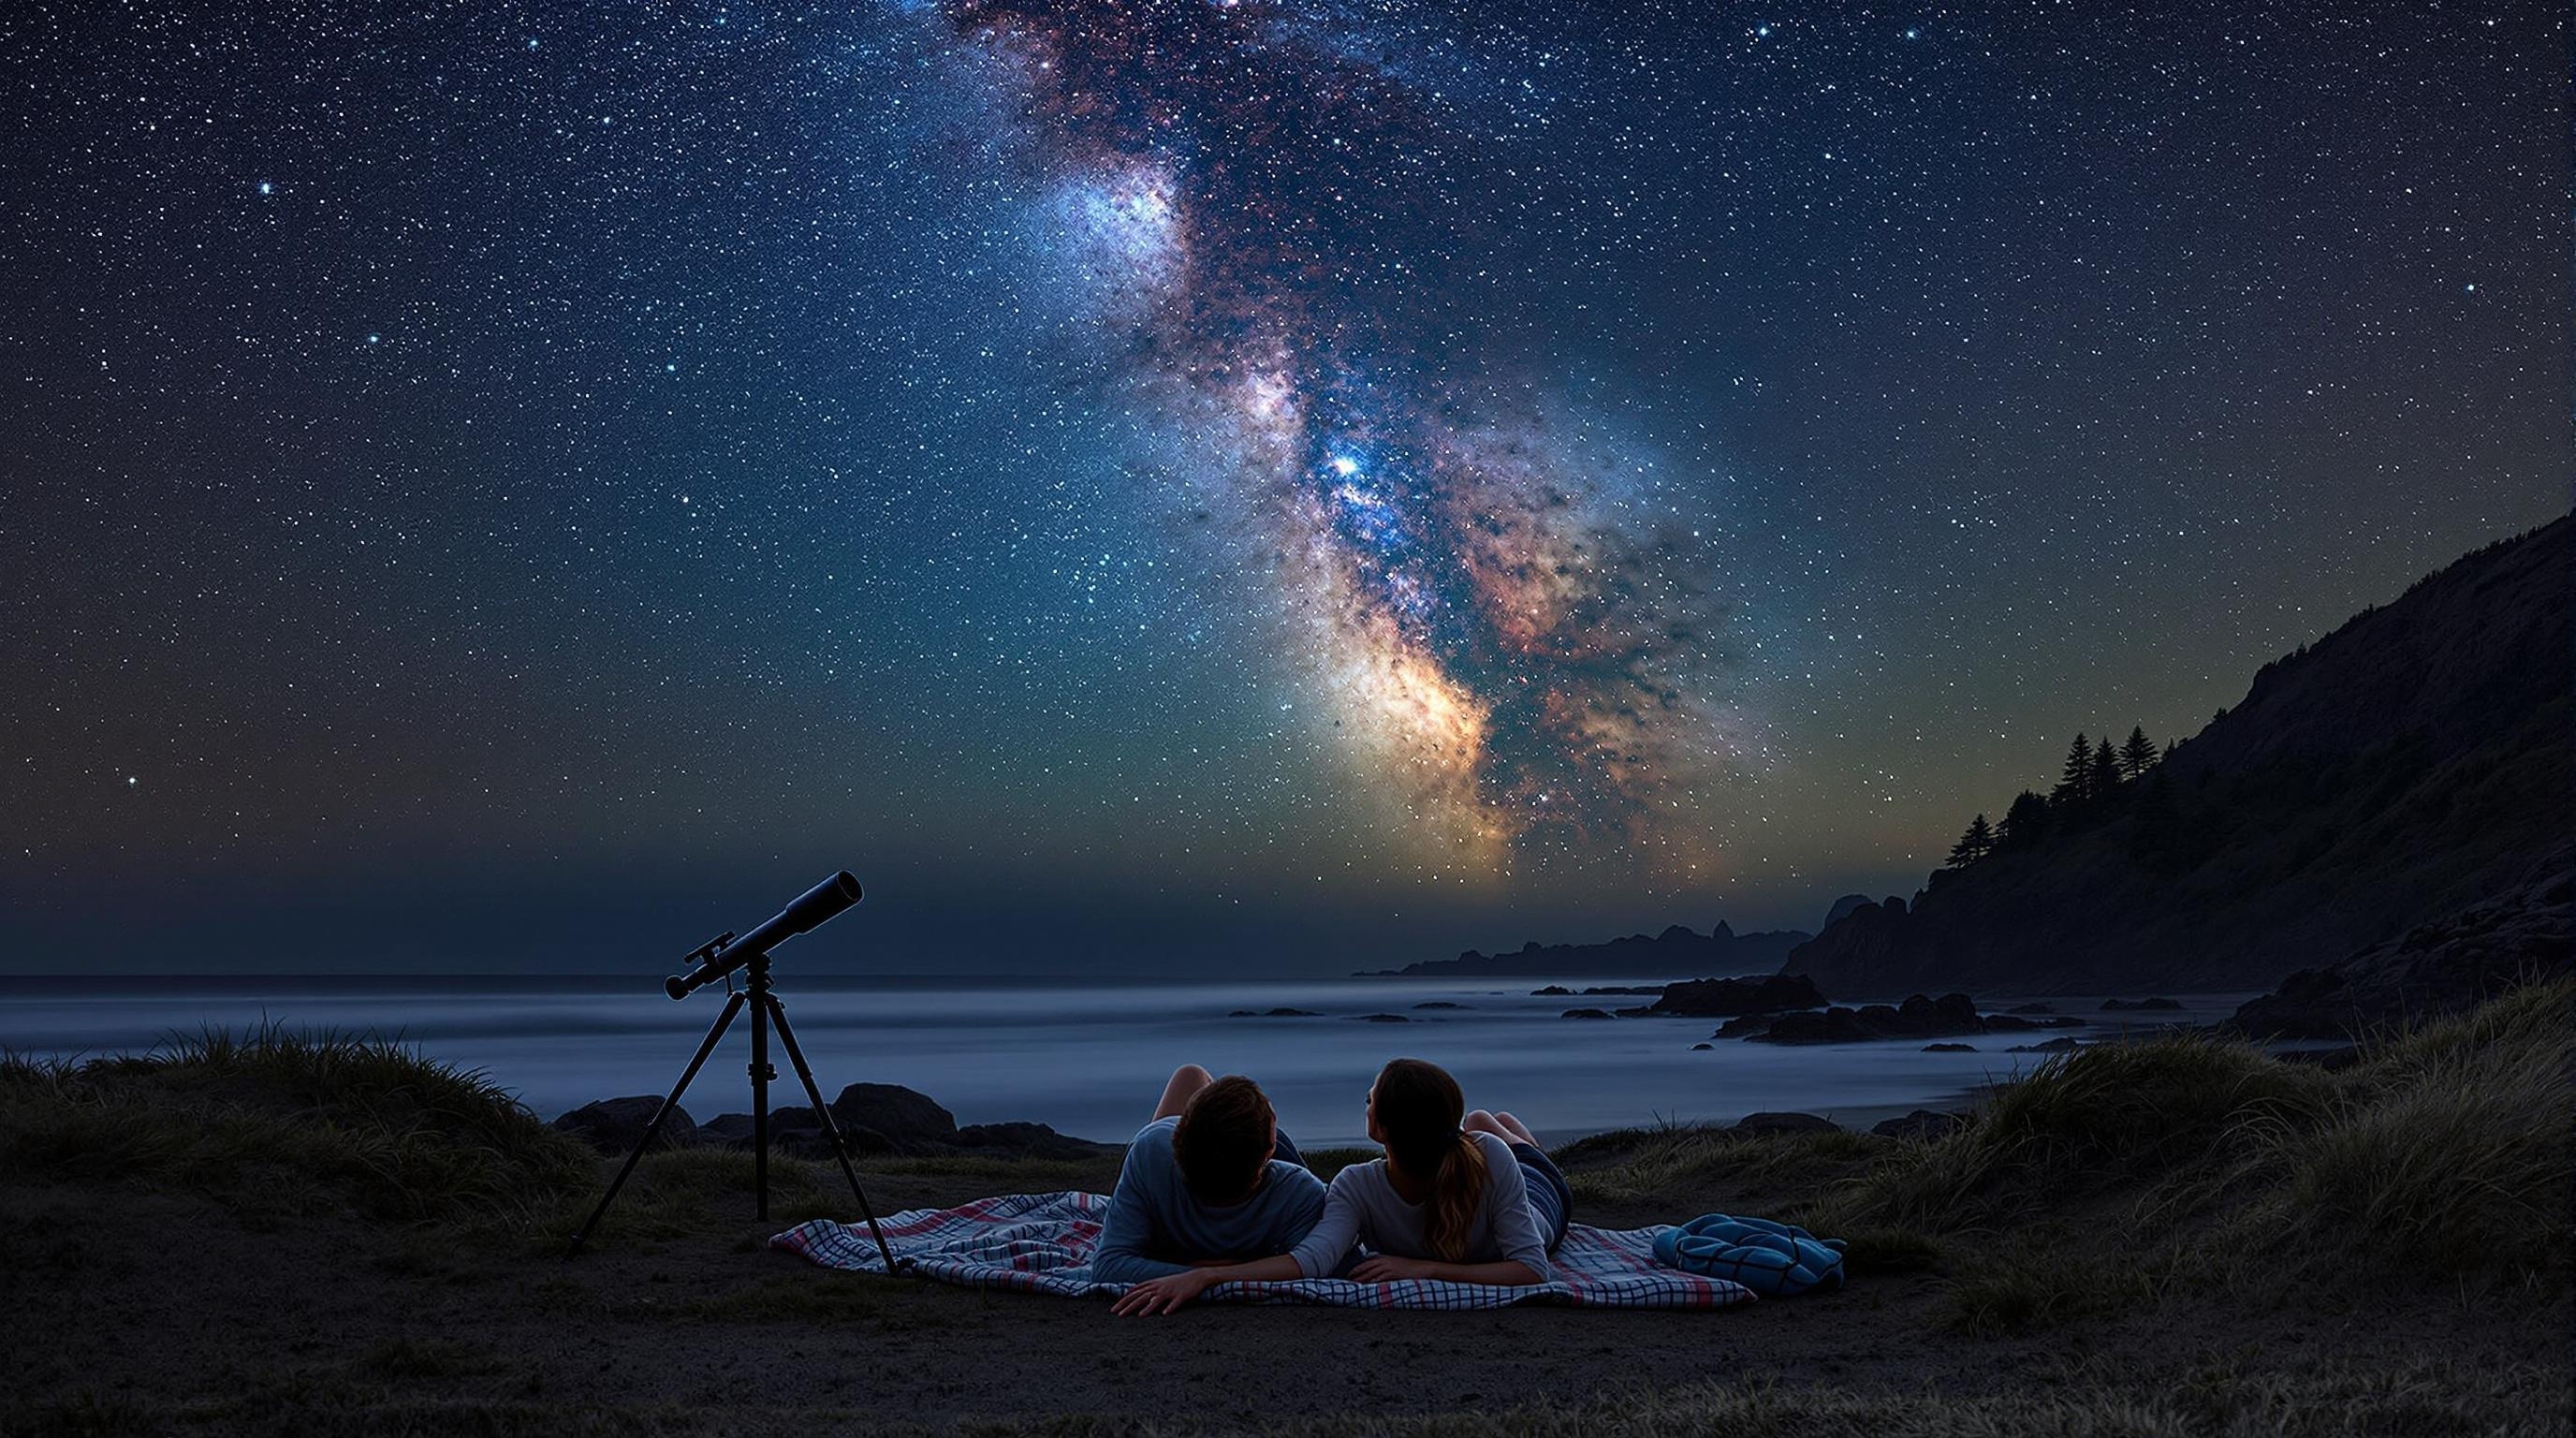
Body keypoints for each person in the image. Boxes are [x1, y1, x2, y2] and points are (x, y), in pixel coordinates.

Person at [1109, 1057, 1574, 1314]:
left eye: (1370, 1098)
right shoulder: (1354, 1185)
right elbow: (1313, 1260)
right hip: (1458, 1146)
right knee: (1481, 1120)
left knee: (1491, 1130)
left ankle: (1510, 1133)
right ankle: (1485, 1120)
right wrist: (1210, 1274)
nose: (1365, 1100)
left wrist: (1425, 1268)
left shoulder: (1491, 1157)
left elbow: (1532, 1269)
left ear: (1379, 1129)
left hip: (1538, 1195)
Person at [1090, 1064, 1326, 1288]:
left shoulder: (1152, 1153)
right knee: (1194, 1078)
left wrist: (1194, 1271)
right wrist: (1230, 1271)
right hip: (1246, 1165)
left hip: (1194, 1153)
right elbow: (1311, 1261)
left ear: (1179, 1136)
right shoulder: (1300, 1191)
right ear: (1270, 1148)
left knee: (1190, 1074)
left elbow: (1109, 1266)